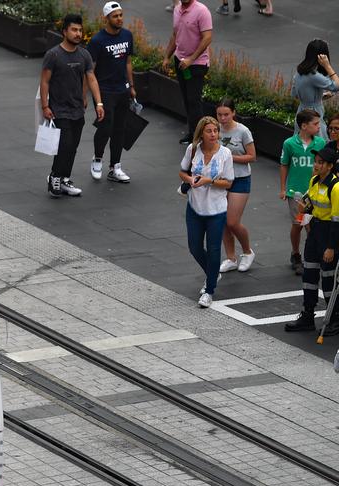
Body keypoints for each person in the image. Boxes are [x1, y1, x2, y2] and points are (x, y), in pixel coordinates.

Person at [40, 13, 105, 198]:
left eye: (80, 30)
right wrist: (45, 106)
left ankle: (65, 178)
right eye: (74, 30)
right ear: (64, 32)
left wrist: (98, 103)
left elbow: (91, 78)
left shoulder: (84, 54)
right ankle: (55, 177)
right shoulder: (53, 55)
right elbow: (44, 81)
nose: (78, 33)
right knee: (65, 145)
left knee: (73, 146)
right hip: (59, 110)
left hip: (77, 109)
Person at [180, 116, 234, 309]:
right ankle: (213, 273)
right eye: (209, 131)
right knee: (194, 246)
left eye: (216, 131)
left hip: (216, 210)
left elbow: (228, 182)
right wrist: (189, 180)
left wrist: (208, 181)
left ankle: (209, 291)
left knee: (213, 250)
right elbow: (182, 171)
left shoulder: (225, 154)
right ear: (201, 133)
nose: (213, 134)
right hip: (195, 207)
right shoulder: (193, 149)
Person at [284, 146, 339, 334]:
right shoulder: (315, 180)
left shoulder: (336, 187)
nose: (316, 165)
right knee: (309, 275)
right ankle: (307, 315)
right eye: (316, 161)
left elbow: (336, 222)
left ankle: (334, 317)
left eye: (321, 163)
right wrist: (303, 210)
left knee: (329, 279)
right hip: (315, 232)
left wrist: (331, 247)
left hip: (329, 234)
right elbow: (308, 205)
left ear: (330, 166)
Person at [87, 2, 135, 184]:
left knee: (120, 129)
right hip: (104, 91)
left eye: (121, 15)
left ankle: (115, 167)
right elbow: (90, 70)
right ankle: (97, 159)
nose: (119, 19)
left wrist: (131, 86)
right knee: (105, 127)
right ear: (106, 18)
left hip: (122, 89)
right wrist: (85, 95)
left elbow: (128, 62)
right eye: (115, 16)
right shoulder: (97, 41)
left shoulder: (127, 35)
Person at [280, 109, 326, 275]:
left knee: (311, 224)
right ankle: (296, 254)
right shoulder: (289, 144)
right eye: (315, 124)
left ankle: (311, 255)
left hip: (314, 192)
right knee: (299, 224)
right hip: (296, 193)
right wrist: (283, 188)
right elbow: (284, 164)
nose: (319, 126)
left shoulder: (320, 143)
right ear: (304, 126)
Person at [162, 0, 213, 143]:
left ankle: (199, 138)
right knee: (186, 99)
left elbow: (207, 37)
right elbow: (175, 35)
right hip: (181, 61)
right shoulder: (177, 9)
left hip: (197, 63)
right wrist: (167, 56)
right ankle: (192, 133)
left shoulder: (202, 11)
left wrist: (191, 59)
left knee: (193, 100)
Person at [216, 99, 257, 273]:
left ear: (233, 113)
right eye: (219, 115)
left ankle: (247, 252)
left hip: (240, 178)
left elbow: (252, 156)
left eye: (226, 114)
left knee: (232, 221)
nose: (223, 118)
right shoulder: (214, 130)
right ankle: (231, 257)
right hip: (221, 179)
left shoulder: (242, 131)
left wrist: (229, 157)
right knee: (223, 222)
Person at [291, 40, 339, 138]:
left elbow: (294, 94)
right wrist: (327, 66)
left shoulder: (299, 72)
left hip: (301, 112)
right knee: (319, 144)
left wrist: (319, 97)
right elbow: (336, 86)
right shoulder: (314, 75)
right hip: (314, 116)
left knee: (301, 141)